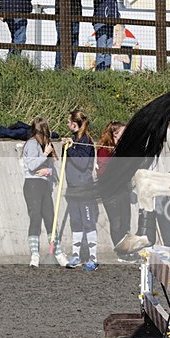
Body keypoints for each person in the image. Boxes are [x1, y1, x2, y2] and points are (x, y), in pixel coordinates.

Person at [22, 117, 67, 268]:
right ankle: (34, 254)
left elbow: (51, 169)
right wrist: (44, 154)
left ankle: (58, 252)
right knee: (35, 218)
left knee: (50, 219)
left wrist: (48, 170)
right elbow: (31, 165)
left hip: (44, 186)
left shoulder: (46, 144)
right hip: (32, 185)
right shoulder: (32, 144)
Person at [62, 110, 99, 270]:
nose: (67, 124)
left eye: (69, 121)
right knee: (76, 222)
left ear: (75, 123)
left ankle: (93, 258)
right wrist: (70, 144)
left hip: (84, 188)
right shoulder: (76, 140)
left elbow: (83, 163)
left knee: (88, 222)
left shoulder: (86, 140)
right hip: (73, 188)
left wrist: (70, 148)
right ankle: (76, 255)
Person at [96, 121, 135, 261]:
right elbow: (104, 171)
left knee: (126, 220)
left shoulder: (123, 148)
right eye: (123, 133)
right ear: (115, 134)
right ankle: (121, 252)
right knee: (116, 221)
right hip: (109, 190)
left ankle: (127, 249)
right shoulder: (104, 150)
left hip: (122, 188)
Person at [54, 0, 94, 69]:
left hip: (75, 14)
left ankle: (71, 67)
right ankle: (59, 67)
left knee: (74, 40)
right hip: (60, 14)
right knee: (61, 40)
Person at [93, 0, 118, 71]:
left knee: (108, 49)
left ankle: (106, 72)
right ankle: (99, 72)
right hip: (101, 21)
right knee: (102, 49)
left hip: (109, 22)